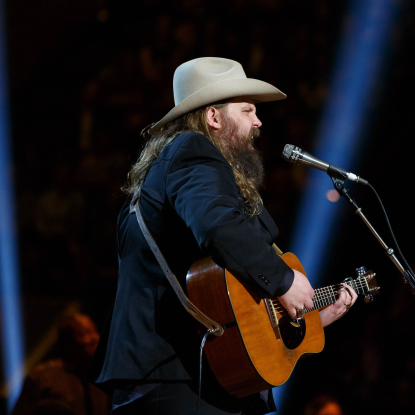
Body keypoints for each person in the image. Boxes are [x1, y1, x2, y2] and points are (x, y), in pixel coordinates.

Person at [87, 57, 357, 415]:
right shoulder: (192, 151)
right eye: (247, 110)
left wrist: (305, 321)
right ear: (213, 117)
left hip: (194, 374)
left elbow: (223, 291)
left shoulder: (176, 165)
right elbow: (217, 225)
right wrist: (282, 280)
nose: (258, 121)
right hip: (176, 374)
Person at [13, 313, 111, 415]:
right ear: (68, 343)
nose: (95, 338)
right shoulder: (43, 377)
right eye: (85, 333)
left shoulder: (102, 376)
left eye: (95, 331)